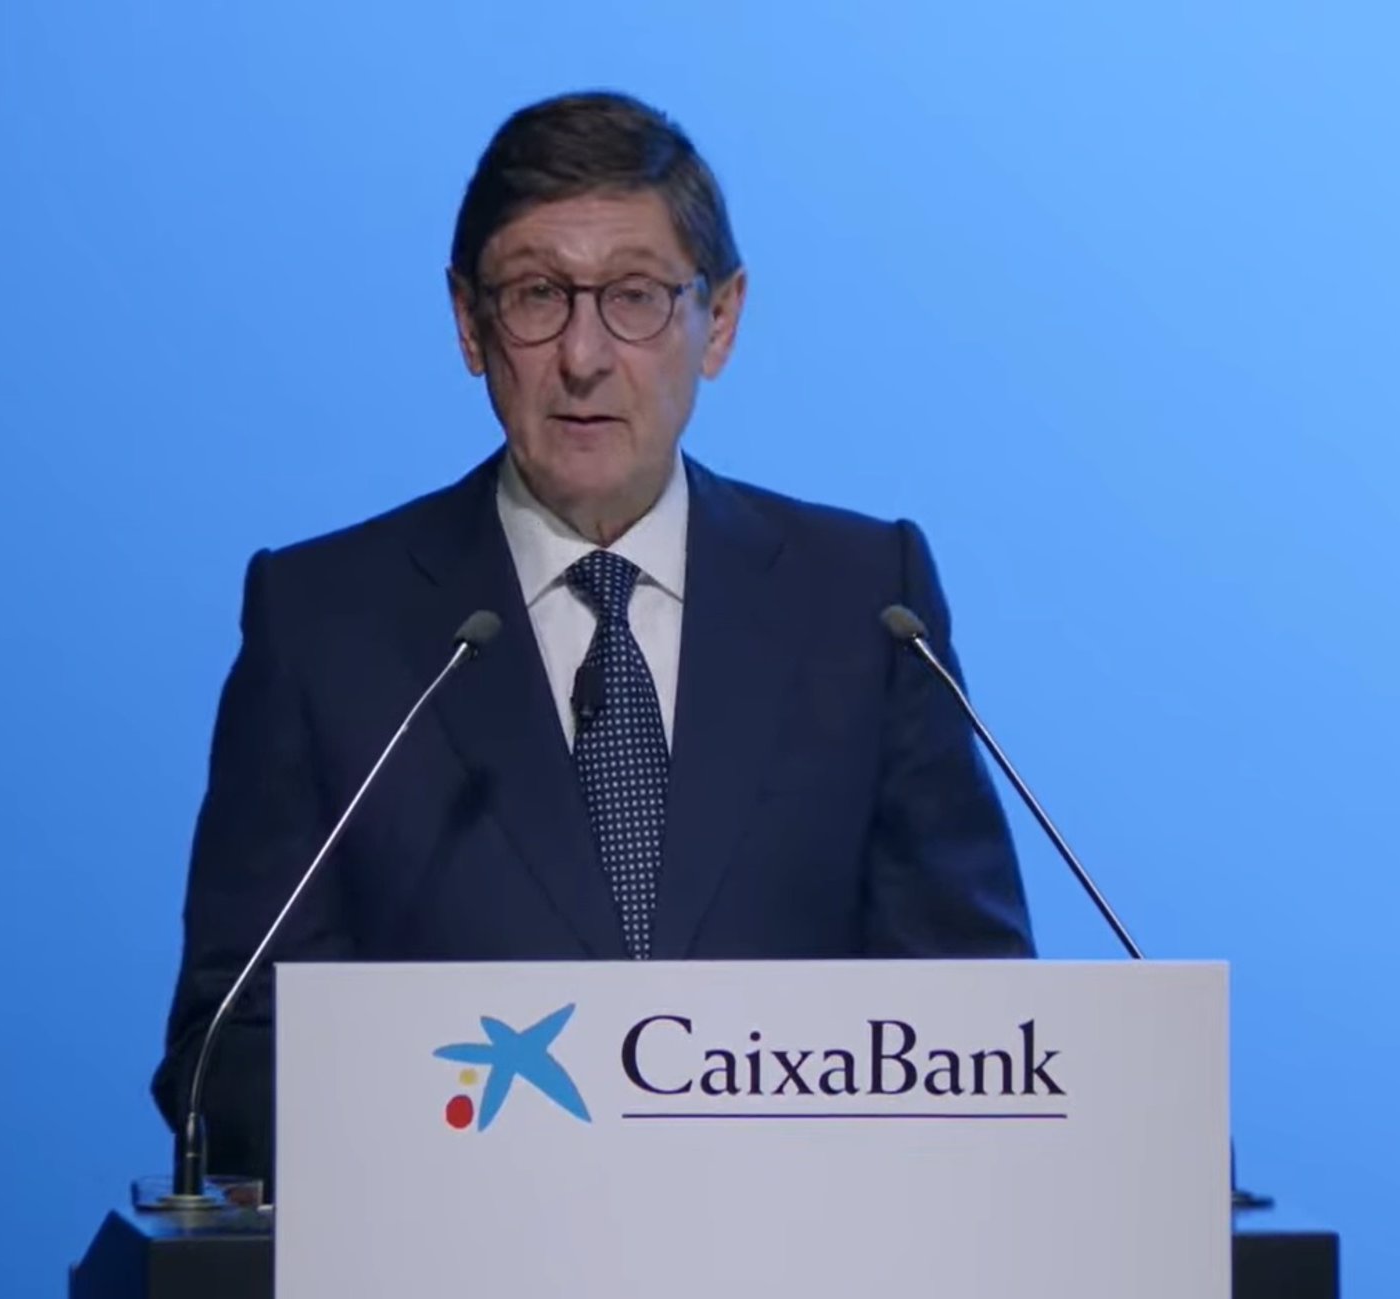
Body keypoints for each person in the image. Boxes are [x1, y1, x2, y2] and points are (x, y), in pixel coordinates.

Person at [150, 90, 1035, 1186]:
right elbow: (230, 1057)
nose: (583, 355)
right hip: (455, 1237)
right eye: (536, 296)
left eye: (634, 298)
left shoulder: (864, 602)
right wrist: (500, 1132)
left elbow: (975, 1016)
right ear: (469, 324)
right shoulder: (324, 622)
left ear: (721, 322)